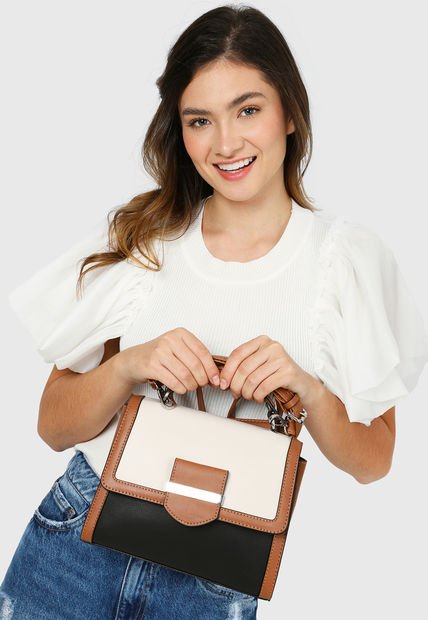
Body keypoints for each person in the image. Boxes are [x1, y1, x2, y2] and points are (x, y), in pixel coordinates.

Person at [1, 4, 427, 619]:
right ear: (180, 130)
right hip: (76, 543)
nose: (226, 144)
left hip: (217, 568)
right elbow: (52, 426)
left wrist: (306, 389)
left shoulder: (344, 262)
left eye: (247, 110)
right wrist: (129, 366)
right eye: (200, 120)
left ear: (290, 112)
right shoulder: (146, 235)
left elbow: (375, 461)